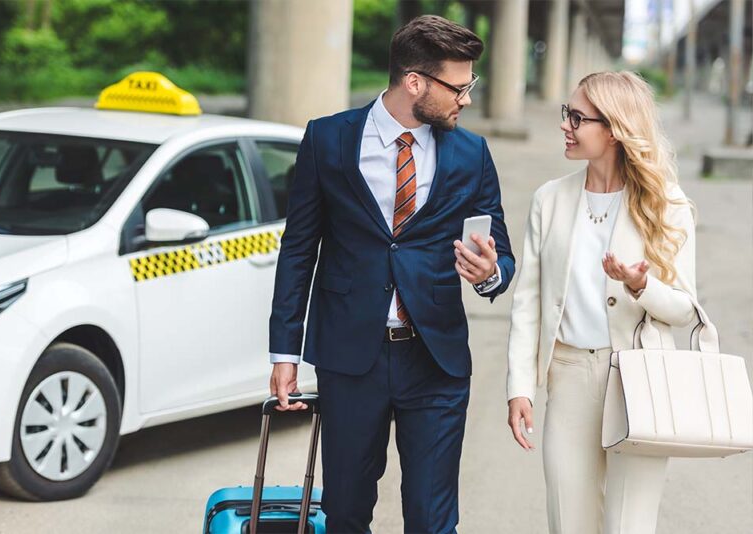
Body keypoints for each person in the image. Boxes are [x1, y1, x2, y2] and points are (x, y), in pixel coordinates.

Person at [268, 15, 515, 534]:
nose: (466, 99)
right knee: (347, 513)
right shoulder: (327, 139)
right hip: (351, 359)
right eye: (459, 86)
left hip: (436, 361)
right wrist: (285, 351)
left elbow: (504, 257)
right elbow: (298, 251)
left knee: (431, 519)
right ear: (414, 81)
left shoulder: (471, 154)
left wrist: (490, 273)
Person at [506, 71, 697, 534]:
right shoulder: (549, 199)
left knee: (629, 524)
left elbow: (684, 309)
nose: (565, 125)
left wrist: (640, 286)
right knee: (568, 522)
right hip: (569, 376)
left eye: (577, 117)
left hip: (640, 377)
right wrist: (520, 387)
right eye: (566, 114)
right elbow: (528, 301)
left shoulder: (664, 204)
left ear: (613, 129)